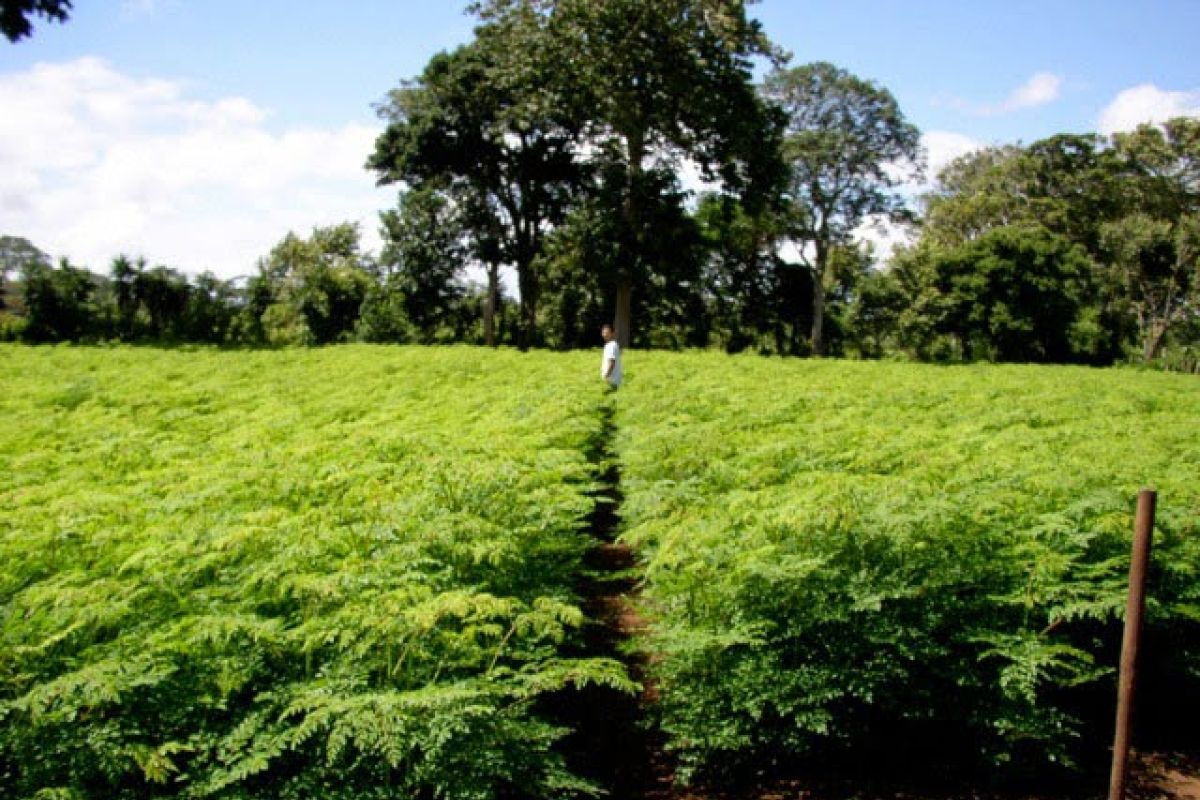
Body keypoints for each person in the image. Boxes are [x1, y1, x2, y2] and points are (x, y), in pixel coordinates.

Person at [600, 324, 622, 388]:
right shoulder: (610, 345)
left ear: (612, 334)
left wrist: (605, 377)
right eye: (603, 332)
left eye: (607, 333)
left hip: (611, 381)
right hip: (612, 381)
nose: (605, 335)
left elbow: (612, 363)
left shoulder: (611, 345)